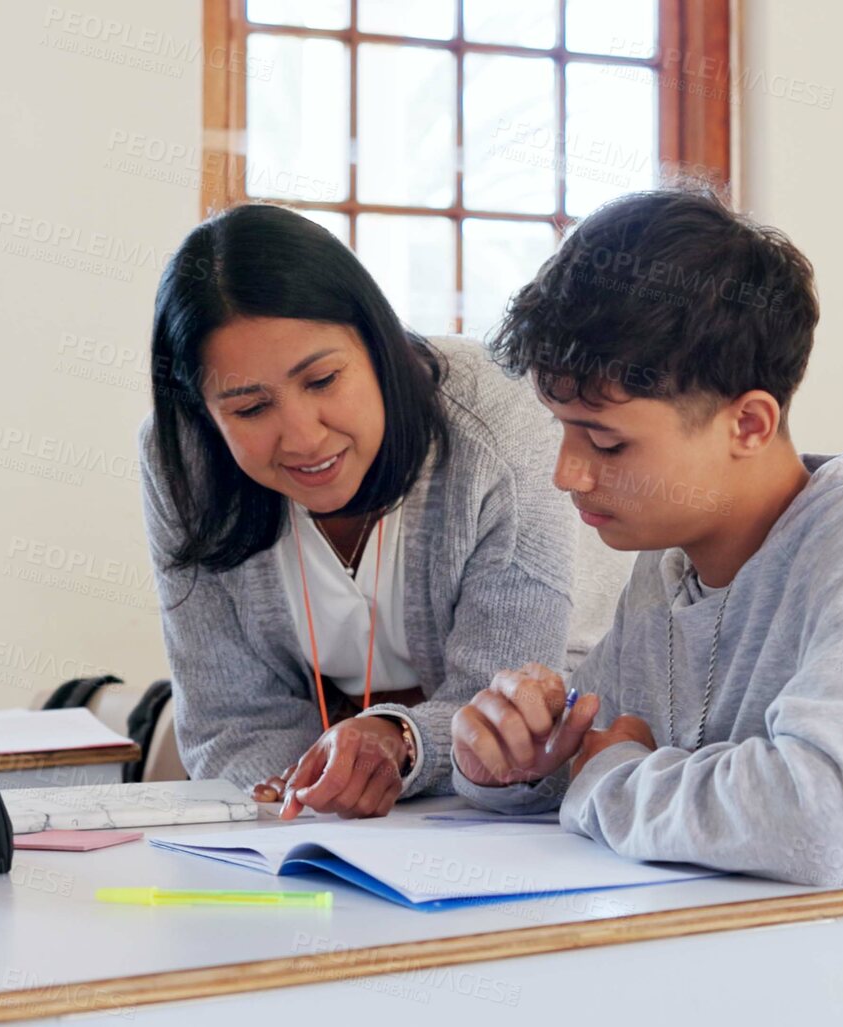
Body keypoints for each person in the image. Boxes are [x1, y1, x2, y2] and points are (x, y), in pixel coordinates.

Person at [448, 188, 843, 1027]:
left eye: (604, 441)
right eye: (561, 432)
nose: (568, 473)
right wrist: (514, 763)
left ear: (748, 422)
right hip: (717, 984)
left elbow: (830, 816)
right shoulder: (667, 561)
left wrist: (604, 773)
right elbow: (592, 755)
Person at [139, 203, 581, 819]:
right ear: (204, 415)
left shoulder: (495, 420)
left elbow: (509, 709)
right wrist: (306, 788)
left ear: (379, 343)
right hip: (344, 833)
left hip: (537, 794)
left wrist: (397, 741)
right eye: (248, 409)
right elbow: (228, 718)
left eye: (321, 381)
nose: (301, 438)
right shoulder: (183, 464)